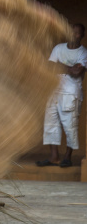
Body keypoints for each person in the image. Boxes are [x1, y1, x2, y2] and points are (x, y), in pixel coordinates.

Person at [37, 23, 87, 168]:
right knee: (50, 123)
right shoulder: (58, 48)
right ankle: (54, 157)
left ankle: (67, 157)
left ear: (82, 36)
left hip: (71, 93)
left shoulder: (83, 53)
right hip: (53, 90)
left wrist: (59, 66)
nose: (74, 35)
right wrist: (69, 68)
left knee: (70, 125)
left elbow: (77, 72)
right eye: (72, 32)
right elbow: (49, 67)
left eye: (77, 33)